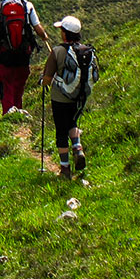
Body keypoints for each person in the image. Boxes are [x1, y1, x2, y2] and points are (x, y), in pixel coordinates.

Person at [0, 0, 51, 114]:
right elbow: (38, 29)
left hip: (4, 52)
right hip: (23, 52)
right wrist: (44, 36)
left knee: (6, 81)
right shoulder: (28, 6)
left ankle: (8, 112)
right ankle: (18, 109)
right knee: (20, 81)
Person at [42, 15, 96, 180]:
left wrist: (43, 82)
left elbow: (48, 77)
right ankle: (78, 148)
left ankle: (65, 169)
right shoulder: (86, 51)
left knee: (61, 131)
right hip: (79, 97)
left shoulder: (57, 51)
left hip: (60, 98)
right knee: (72, 122)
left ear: (65, 33)